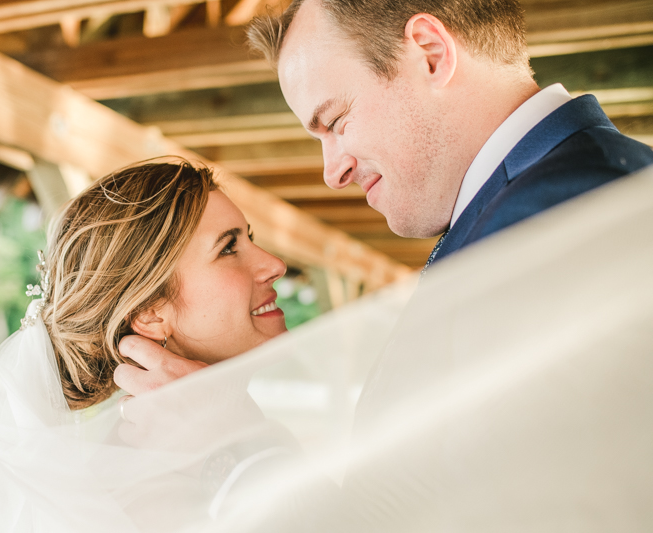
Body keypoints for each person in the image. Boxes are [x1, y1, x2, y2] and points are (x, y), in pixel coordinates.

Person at [114, 0, 653, 397]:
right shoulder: (544, 196)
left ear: (430, 53)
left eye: (337, 121)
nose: (333, 172)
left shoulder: (568, 212)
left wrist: (231, 447)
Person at [0, 159, 291, 531]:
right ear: (150, 314)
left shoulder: (222, 441)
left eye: (251, 238)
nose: (276, 264)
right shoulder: (157, 506)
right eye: (228, 249)